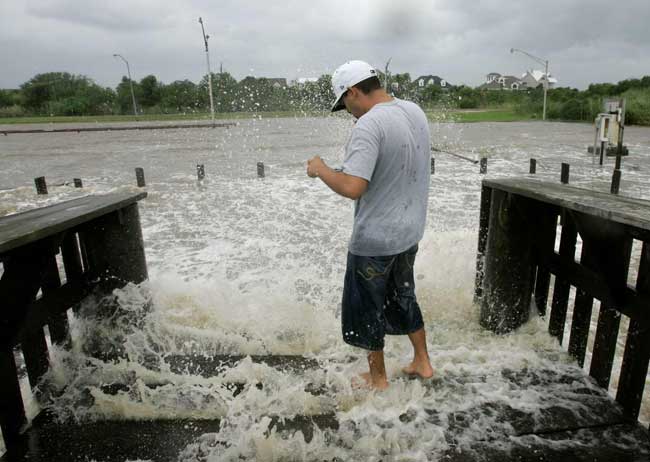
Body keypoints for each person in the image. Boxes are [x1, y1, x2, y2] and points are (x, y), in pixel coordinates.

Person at [306, 60, 434, 390]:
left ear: (353, 92)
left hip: (375, 241)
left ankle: (378, 379)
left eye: (344, 103)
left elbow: (352, 187)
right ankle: (422, 361)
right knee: (405, 294)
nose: (348, 111)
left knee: (369, 309)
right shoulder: (413, 111)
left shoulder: (367, 125)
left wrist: (321, 169)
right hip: (409, 232)